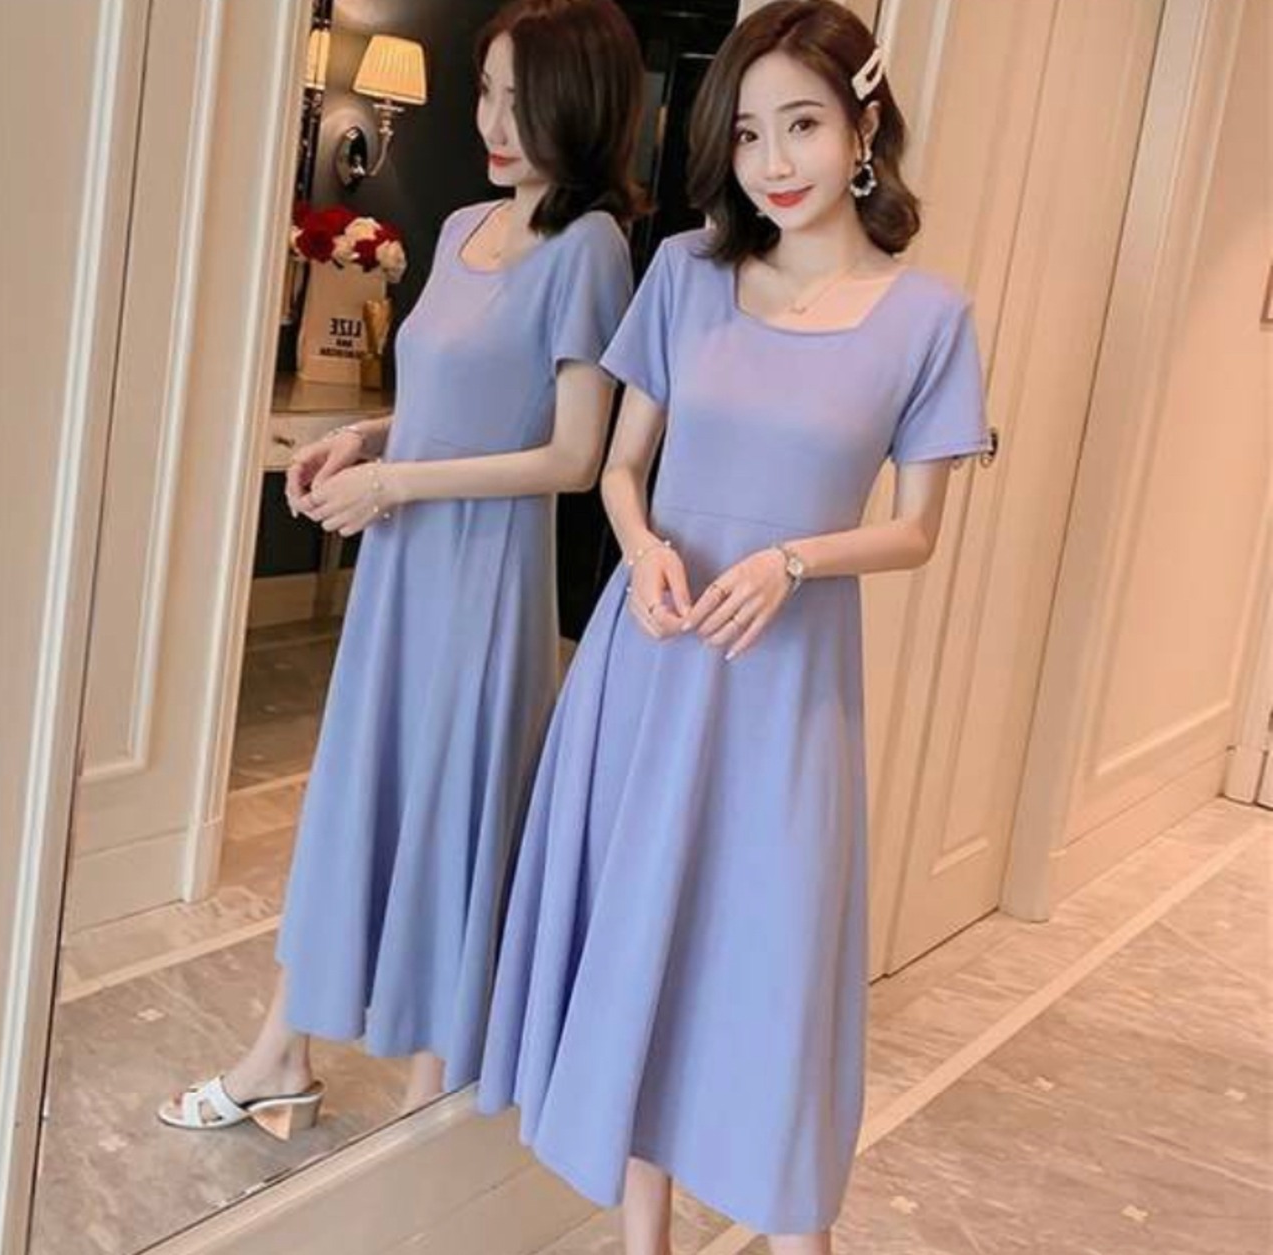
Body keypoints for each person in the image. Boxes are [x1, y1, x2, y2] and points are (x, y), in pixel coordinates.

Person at [474, 1, 995, 1250]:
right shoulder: (685, 276)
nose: (772, 162)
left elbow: (916, 531)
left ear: (862, 128)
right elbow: (619, 468)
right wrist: (644, 548)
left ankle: (792, 1224)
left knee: (768, 960)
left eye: (800, 125)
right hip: (648, 659)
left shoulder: (926, 319)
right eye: (748, 133)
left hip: (785, 685)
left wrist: (791, 560)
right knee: (637, 939)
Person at [159, 0, 645, 1138]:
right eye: (487, 93)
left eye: (524, 101)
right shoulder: (467, 222)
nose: (496, 123)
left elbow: (573, 458)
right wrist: (361, 442)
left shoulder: (589, 248)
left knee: (448, 816)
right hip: (404, 570)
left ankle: (433, 1098)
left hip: (483, 580)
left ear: (582, 107)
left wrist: (397, 485)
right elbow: (440, 401)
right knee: (357, 797)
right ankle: (284, 1050)